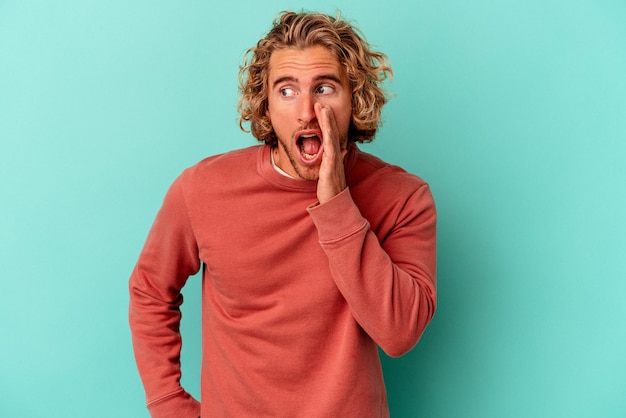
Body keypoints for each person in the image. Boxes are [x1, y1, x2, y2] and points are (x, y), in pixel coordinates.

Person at [129, 10, 437, 418]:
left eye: (325, 88)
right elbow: (151, 290)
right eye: (287, 91)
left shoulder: (403, 198)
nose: (307, 112)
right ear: (267, 105)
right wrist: (168, 402)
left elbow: (399, 332)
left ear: (355, 98)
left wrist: (336, 205)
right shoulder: (201, 189)